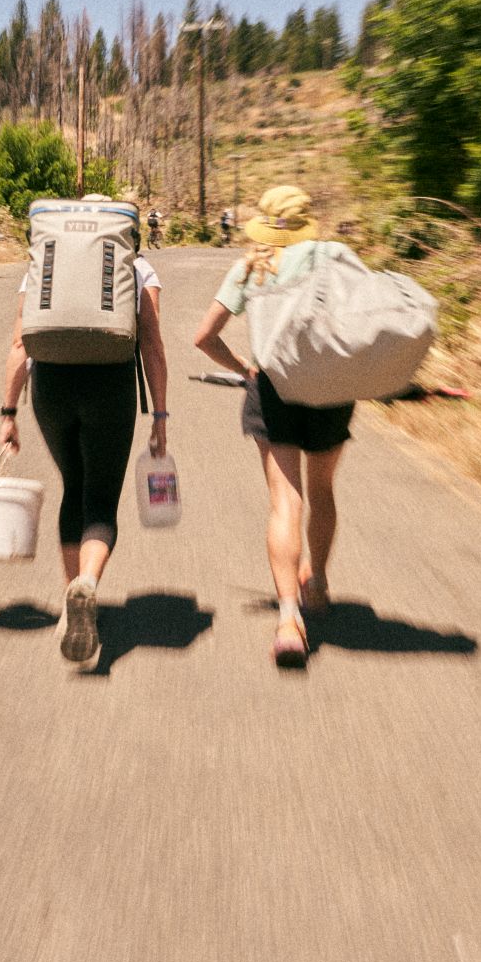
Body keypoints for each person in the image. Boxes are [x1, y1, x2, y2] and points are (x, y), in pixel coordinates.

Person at [0, 199, 168, 665]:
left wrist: (8, 412)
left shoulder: (44, 261)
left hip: (51, 384)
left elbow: (19, 344)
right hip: (110, 385)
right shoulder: (138, 269)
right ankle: (88, 584)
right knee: (101, 497)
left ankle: (66, 606)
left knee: (72, 486)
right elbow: (152, 347)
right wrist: (160, 417)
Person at [192, 185, 353, 668]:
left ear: (265, 223)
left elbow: (203, 336)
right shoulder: (336, 257)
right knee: (322, 489)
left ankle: (287, 620)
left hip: (274, 389)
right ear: (306, 219)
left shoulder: (252, 265)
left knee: (285, 501)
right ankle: (318, 583)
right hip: (331, 388)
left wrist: (245, 369)